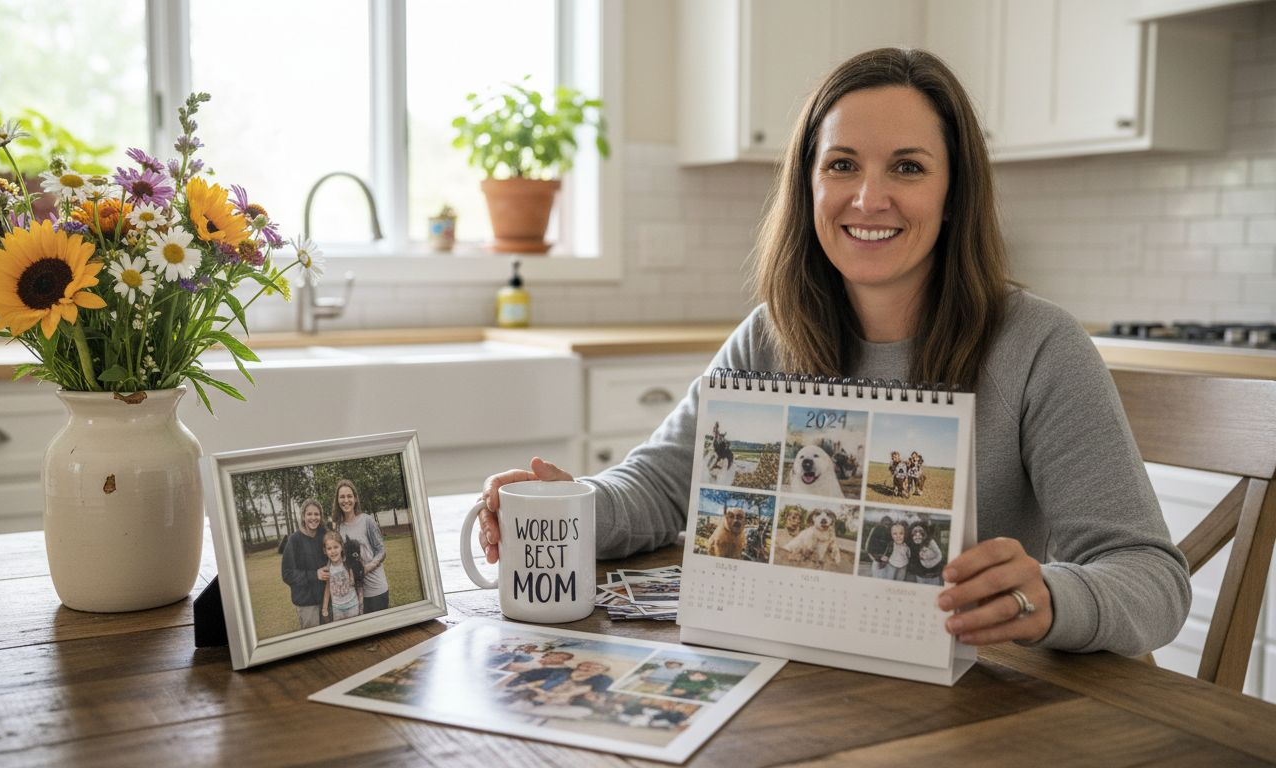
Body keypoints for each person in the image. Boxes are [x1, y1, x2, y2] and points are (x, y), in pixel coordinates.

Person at [477, 48, 1189, 657]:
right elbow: (663, 489)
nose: (868, 196)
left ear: (953, 194)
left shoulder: (1039, 346)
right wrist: (566, 505)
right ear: (809, 185)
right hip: (807, 677)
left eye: (907, 168)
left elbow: (1151, 579)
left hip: (981, 702)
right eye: (843, 164)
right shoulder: (768, 335)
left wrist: (1047, 598)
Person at [332, 479, 390, 613]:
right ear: (337, 500)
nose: (346, 500)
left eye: (349, 496)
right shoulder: (339, 528)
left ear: (355, 499)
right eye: (342, 497)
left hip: (376, 589)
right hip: (355, 594)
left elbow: (381, 550)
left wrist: (368, 567)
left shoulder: (367, 520)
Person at [279, 499, 329, 630]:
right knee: (315, 644)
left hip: (328, 600)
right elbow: (287, 574)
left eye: (316, 514)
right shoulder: (294, 540)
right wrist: (314, 575)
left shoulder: (325, 535)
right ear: (303, 516)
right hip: (307, 604)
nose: (313, 518)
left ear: (321, 516)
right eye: (309, 514)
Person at [321, 530, 362, 622]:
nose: (333, 551)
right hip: (337, 609)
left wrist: (360, 604)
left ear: (342, 547)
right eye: (329, 548)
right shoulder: (327, 569)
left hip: (353, 607)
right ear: (325, 551)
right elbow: (328, 588)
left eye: (336, 547)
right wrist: (324, 608)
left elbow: (359, 584)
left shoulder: (348, 565)